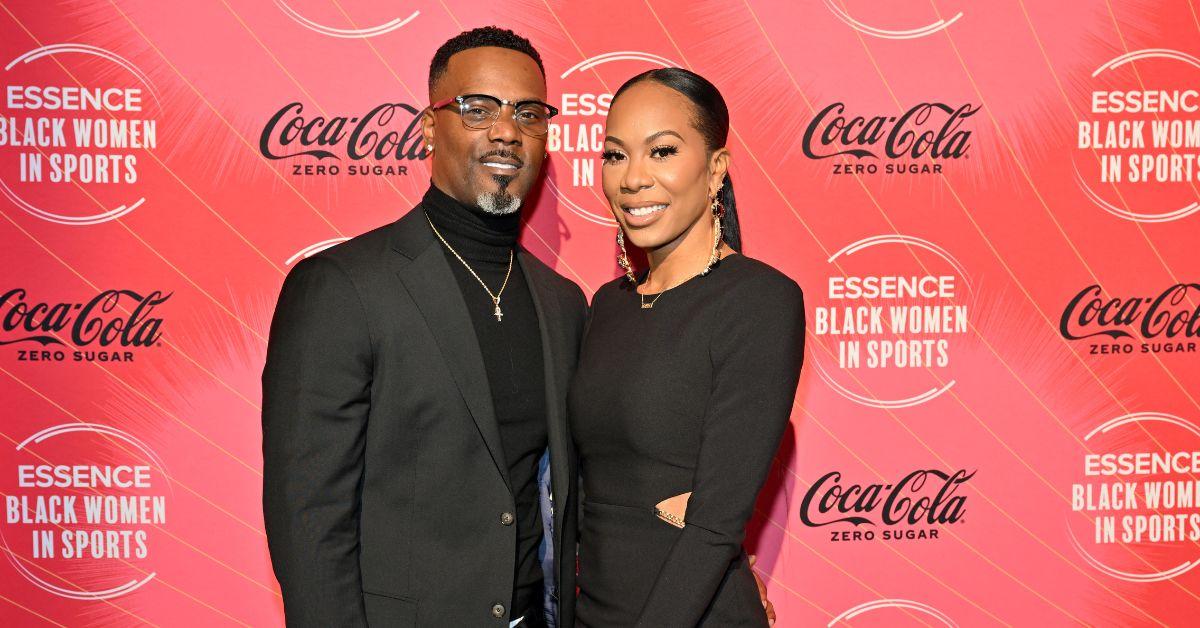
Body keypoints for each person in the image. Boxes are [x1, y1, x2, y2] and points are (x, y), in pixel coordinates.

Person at [262, 27, 585, 627]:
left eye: (529, 113)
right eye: (477, 108)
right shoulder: (341, 287)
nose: (507, 131)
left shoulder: (563, 304)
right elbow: (308, 519)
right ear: (428, 127)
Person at [569, 68, 804, 626]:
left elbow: (714, 524)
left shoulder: (760, 301)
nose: (633, 179)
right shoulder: (607, 305)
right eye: (615, 155)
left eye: (662, 152)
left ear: (715, 169)